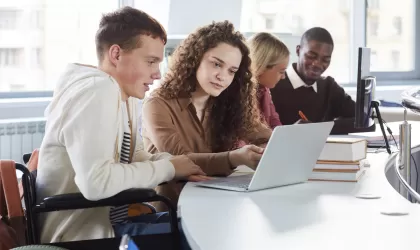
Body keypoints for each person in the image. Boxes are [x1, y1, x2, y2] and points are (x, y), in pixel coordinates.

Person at [35, 6, 205, 243]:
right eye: (151, 61)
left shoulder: (124, 95)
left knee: (192, 225)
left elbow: (135, 158)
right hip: (82, 238)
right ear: (116, 55)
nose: (158, 74)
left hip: (112, 225)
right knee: (197, 233)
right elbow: (96, 182)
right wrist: (171, 169)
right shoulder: (96, 91)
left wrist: (181, 163)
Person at [141, 21, 272, 211]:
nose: (223, 76)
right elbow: (182, 161)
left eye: (231, 71)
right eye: (216, 64)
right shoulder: (158, 103)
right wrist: (235, 158)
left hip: (218, 204)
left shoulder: (229, 103)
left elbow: (264, 136)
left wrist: (266, 149)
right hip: (171, 213)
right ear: (195, 59)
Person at [270, 27, 356, 129]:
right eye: (311, 56)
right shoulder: (274, 84)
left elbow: (366, 121)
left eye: (325, 60)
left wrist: (318, 128)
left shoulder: (329, 87)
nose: (317, 64)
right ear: (298, 51)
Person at [248, 32, 290, 129]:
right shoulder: (236, 93)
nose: (283, 77)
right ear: (262, 67)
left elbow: (275, 123)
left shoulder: (265, 91)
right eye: (281, 71)